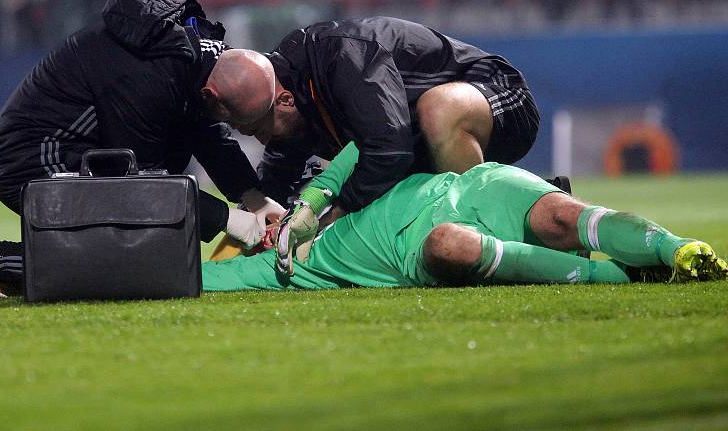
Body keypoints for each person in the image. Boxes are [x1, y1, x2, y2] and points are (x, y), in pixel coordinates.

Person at [0, 0, 285, 299]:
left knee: (147, 255)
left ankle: (5, 266)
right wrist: (232, 222)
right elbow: (137, 187)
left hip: (86, 155)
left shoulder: (198, 58)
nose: (241, 130)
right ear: (211, 94)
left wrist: (255, 199)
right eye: (236, 120)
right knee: (132, 255)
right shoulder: (145, 75)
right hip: (31, 159)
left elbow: (207, 133)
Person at [200, 143, 727, 291]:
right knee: (449, 246)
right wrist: (236, 231)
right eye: (262, 235)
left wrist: (310, 207)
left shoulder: (332, 196)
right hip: (422, 246)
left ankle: (678, 249)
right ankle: (627, 273)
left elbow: (365, 148)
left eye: (272, 222)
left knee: (563, 216)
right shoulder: (286, 270)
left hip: (473, 186)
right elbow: (199, 276)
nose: (270, 234)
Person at [215, 17, 541, 222]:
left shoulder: (342, 57)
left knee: (437, 109)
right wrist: (256, 221)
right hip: (421, 140)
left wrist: (334, 214)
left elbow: (389, 151)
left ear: (283, 100)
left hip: (500, 97)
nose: (262, 141)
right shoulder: (291, 96)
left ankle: (480, 228)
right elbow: (274, 181)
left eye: (258, 129)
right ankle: (538, 208)